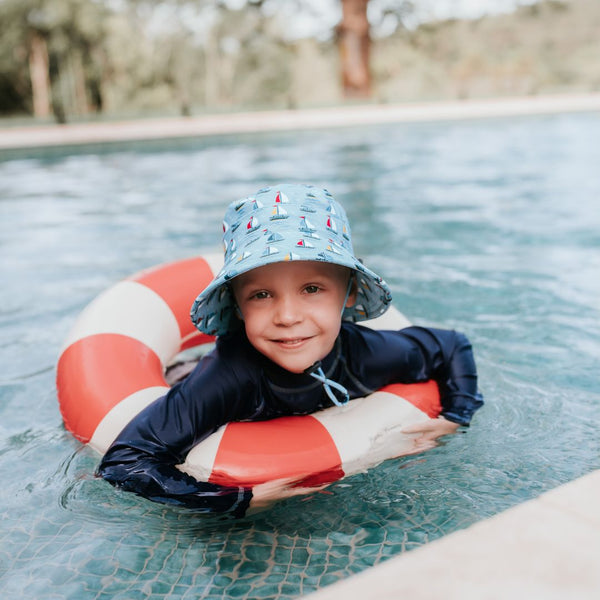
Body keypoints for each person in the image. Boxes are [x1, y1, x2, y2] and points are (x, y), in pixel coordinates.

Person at [98, 183, 483, 517]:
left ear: (348, 294)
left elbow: (452, 346)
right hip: (188, 371)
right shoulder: (226, 378)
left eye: (312, 289)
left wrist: (456, 415)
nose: (286, 316)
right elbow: (124, 462)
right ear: (237, 306)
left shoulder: (366, 353)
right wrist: (230, 499)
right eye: (261, 295)